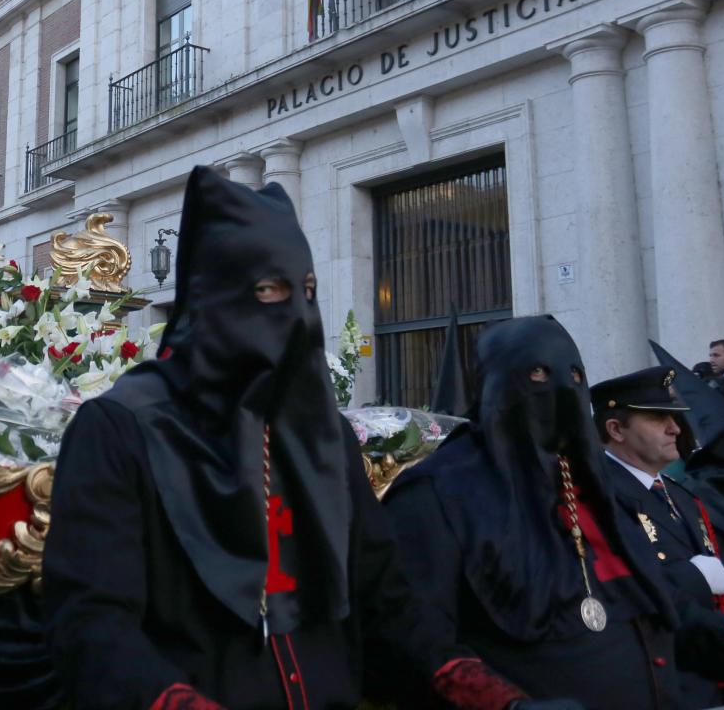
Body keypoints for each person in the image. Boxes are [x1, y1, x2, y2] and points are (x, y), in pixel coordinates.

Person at [42, 168, 572, 710]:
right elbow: (92, 628)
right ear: (213, 296)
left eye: (307, 291)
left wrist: (497, 700)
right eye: (269, 290)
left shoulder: (321, 436)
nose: (295, 313)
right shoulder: (120, 430)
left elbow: (387, 602)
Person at [383, 315, 724, 710]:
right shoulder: (436, 494)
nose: (560, 392)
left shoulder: (586, 486)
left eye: (574, 377)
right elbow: (416, 643)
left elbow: (665, 614)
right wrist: (509, 706)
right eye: (536, 375)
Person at [592, 366, 724, 708]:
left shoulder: (679, 494)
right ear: (616, 429)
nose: (675, 428)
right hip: (654, 676)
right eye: (657, 418)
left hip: (704, 669)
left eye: (674, 417)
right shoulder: (597, 496)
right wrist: (695, 578)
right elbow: (614, 587)